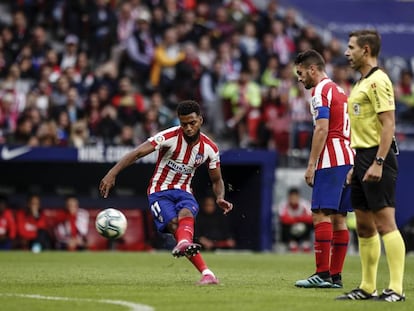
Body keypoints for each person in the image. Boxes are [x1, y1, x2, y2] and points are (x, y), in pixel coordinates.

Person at [99, 100, 233, 285]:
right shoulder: (168, 136)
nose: (188, 128)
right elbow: (137, 153)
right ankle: (203, 268)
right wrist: (112, 173)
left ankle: (197, 260)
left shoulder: (210, 148)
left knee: (186, 215)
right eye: (183, 123)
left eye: (192, 123)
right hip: (159, 191)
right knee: (174, 224)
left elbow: (217, 179)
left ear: (200, 120)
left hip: (184, 191)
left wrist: (219, 197)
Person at [336, 29, 406, 302]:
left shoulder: (378, 81)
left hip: (379, 157)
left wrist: (378, 161)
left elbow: (388, 124)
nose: (346, 52)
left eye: (351, 47)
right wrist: (357, 164)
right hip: (362, 157)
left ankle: (397, 289)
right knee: (364, 225)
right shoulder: (360, 83)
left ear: (366, 50)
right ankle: (367, 287)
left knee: (386, 223)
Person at [293, 49, 354, 289]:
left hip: (331, 158)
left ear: (312, 69)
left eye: (300, 73)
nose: (299, 78)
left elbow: (322, 129)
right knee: (340, 218)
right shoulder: (340, 91)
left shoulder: (320, 91)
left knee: (320, 213)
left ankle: (322, 274)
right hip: (348, 156)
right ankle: (335, 276)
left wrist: (311, 165)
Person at [278, 187, 313, 253]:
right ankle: (292, 244)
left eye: (295, 197)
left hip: (303, 228)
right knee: (283, 225)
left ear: (298, 197)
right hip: (290, 229)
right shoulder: (283, 204)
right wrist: (300, 219)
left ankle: (306, 243)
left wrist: (295, 218)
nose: (293, 199)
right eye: (292, 197)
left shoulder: (304, 204)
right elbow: (283, 219)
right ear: (289, 197)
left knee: (310, 224)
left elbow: (310, 218)